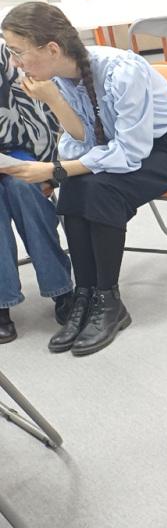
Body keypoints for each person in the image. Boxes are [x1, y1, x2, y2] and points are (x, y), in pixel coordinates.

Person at [1, 2, 167, 356]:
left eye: (18, 52)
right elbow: (86, 143)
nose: (15, 63)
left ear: (52, 49)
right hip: (125, 147)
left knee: (99, 189)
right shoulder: (59, 78)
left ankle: (108, 300)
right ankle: (86, 295)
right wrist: (55, 102)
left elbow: (129, 152)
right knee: (77, 185)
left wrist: (54, 170)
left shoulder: (121, 71)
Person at [0, 41, 72, 343]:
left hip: (16, 149)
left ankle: (61, 289)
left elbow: (40, 114)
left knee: (24, 188)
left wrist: (47, 170)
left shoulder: (7, 54)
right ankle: (2, 301)